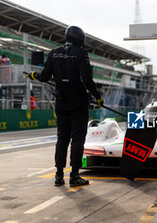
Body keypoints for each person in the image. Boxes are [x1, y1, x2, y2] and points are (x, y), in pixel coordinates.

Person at [26, 26, 103, 187]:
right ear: (80, 38)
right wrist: (97, 97)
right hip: (78, 101)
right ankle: (74, 176)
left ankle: (59, 175)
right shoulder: (81, 54)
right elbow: (87, 79)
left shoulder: (53, 53)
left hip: (61, 100)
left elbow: (45, 76)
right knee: (78, 139)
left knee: (62, 138)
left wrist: (35, 75)